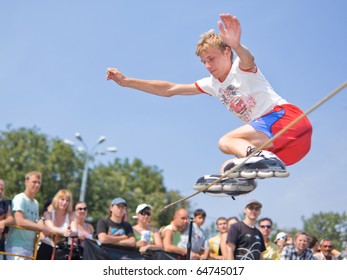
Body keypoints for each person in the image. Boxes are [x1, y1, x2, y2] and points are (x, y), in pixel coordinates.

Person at [106, 13, 312, 188]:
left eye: (211, 59)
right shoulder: (212, 84)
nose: (207, 66)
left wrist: (238, 45)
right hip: (289, 150)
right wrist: (127, 82)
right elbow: (170, 89)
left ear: (227, 52)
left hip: (288, 120)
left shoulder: (241, 67)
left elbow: (248, 59)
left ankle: (259, 160)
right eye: (203, 61)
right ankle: (238, 182)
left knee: (227, 141)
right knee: (227, 167)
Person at [5, 171, 51, 260]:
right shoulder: (20, 198)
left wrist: (41, 224)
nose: (37, 185)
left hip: (29, 249)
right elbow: (20, 221)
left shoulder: (36, 203)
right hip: (16, 248)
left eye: (39, 183)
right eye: (34, 182)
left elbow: (34, 224)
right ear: (26, 182)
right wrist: (41, 228)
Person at [0, 178, 14, 258]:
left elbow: (11, 219)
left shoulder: (6, 204)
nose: (0, 191)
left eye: (2, 189)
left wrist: (3, 222)